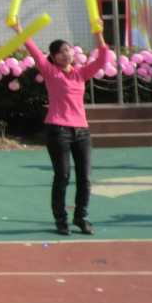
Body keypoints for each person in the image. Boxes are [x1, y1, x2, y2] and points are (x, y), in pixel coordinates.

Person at [18, 22, 109, 236]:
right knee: (63, 176)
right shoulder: (51, 72)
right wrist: (20, 30)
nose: (65, 54)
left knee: (85, 178)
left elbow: (103, 59)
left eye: (67, 49)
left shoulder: (80, 73)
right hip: (58, 131)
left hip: (82, 132)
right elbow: (33, 50)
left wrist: (98, 34)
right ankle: (61, 219)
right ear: (53, 57)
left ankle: (81, 217)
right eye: (60, 52)